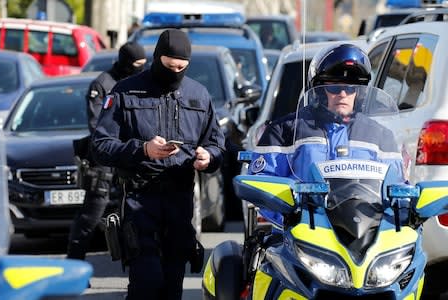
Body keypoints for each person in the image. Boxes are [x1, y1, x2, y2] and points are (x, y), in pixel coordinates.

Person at [91, 29, 225, 300]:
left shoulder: (198, 95)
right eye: (169, 67)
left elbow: (218, 145)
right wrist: (142, 150)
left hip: (180, 200)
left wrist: (208, 156)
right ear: (156, 59)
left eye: (181, 68)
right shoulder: (125, 92)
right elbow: (101, 146)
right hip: (140, 200)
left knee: (172, 286)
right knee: (146, 283)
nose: (175, 73)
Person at [248, 43, 404, 226]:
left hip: (364, 232)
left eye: (351, 88)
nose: (343, 94)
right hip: (303, 231)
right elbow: (262, 184)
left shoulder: (379, 135)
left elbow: (398, 189)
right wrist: (291, 219)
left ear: (360, 93)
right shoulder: (284, 130)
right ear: (320, 90)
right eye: (335, 88)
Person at [66, 41, 147, 261]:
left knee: (135, 214)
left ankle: (135, 265)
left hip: (131, 157)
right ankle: (74, 266)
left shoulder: (140, 82)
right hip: (104, 158)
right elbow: (97, 125)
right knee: (91, 215)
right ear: (125, 62)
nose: (140, 68)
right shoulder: (102, 83)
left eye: (143, 64)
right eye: (136, 64)